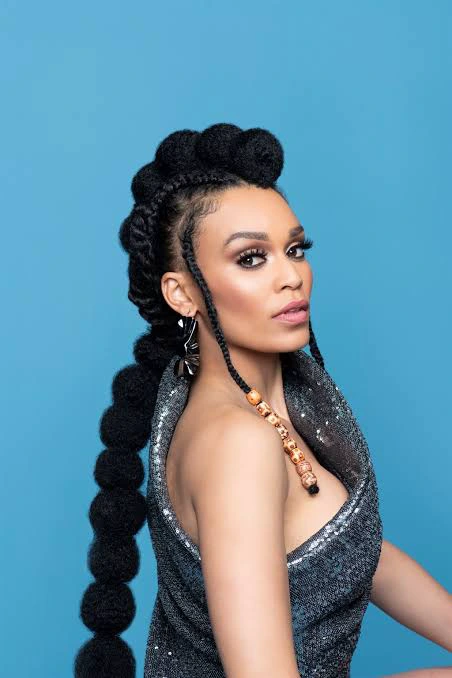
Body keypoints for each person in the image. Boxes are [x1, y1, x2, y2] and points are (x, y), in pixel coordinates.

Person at [74, 123, 452, 678]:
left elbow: (350, 553)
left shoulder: (270, 399)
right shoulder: (236, 443)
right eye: (251, 258)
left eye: (295, 249)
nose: (291, 276)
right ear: (181, 293)